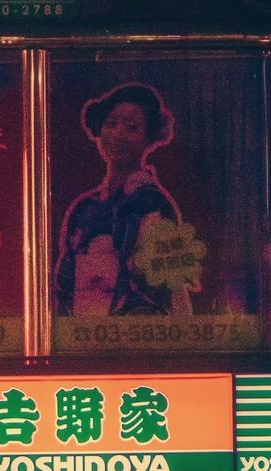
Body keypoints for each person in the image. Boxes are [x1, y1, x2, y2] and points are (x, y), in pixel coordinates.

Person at [53, 82, 191, 319]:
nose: (118, 134)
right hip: (82, 337)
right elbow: (65, 285)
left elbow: (170, 284)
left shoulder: (153, 203)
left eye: (131, 127)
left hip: (135, 337)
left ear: (149, 138)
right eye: (111, 124)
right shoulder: (83, 208)